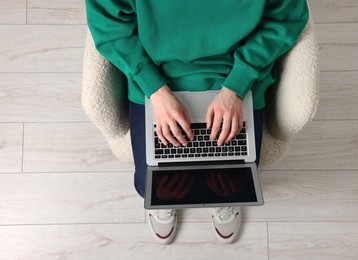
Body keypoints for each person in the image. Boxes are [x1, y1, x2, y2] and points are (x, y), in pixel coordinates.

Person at [85, 0, 309, 244]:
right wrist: (155, 90)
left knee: (233, 181)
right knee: (153, 182)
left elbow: (286, 18)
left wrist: (237, 86)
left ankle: (225, 202)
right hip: (155, 76)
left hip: (237, 76)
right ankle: (163, 203)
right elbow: (108, 24)